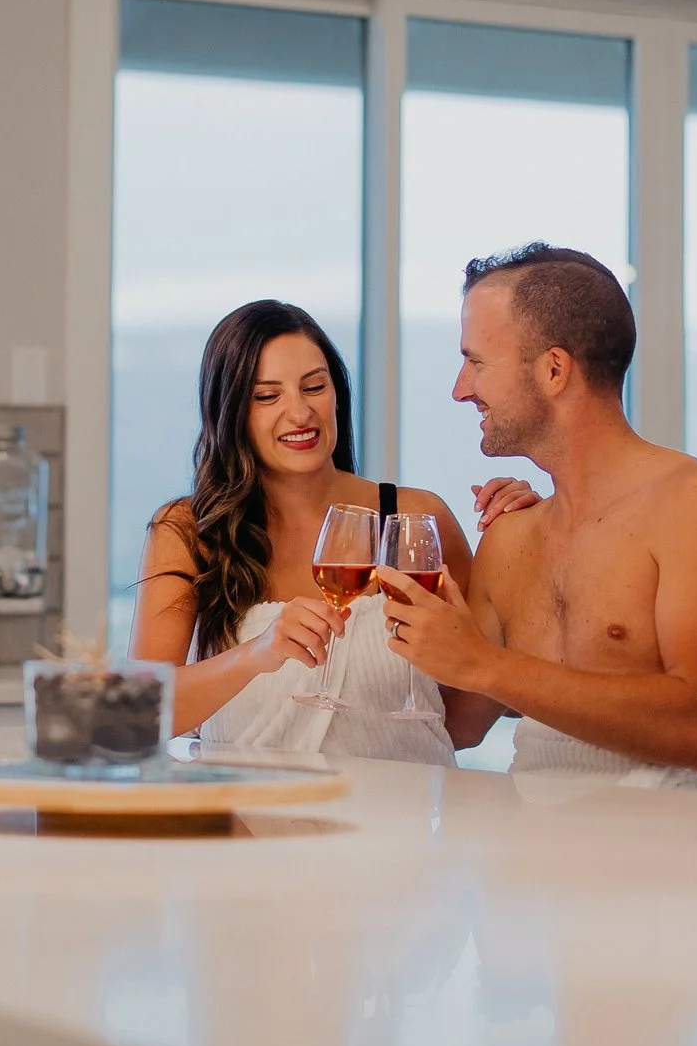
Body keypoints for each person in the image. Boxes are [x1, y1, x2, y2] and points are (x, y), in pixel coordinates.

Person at [374, 243, 697, 799]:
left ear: (553, 369)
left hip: (692, 867)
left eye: (476, 362)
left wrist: (484, 663)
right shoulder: (513, 536)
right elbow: (457, 727)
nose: (460, 388)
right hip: (540, 870)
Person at [130, 299, 537, 763]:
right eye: (267, 396)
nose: (300, 412)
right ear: (230, 412)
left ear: (336, 393)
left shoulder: (414, 518)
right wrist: (255, 654)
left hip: (398, 826)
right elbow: (138, 714)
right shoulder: (186, 531)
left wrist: (521, 543)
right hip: (248, 825)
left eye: (314, 387)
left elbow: (462, 725)